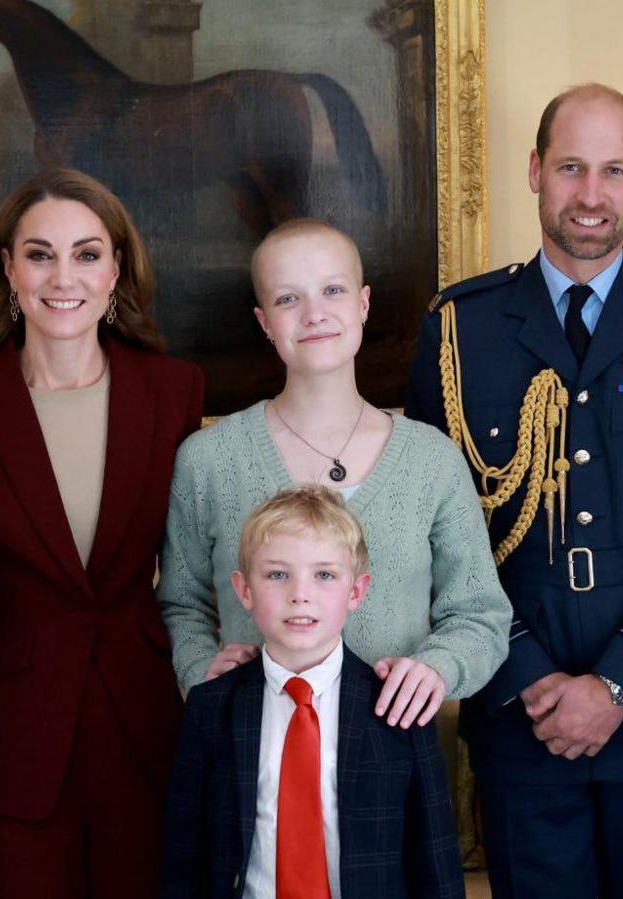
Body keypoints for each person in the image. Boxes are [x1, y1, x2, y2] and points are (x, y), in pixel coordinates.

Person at [403, 83, 623, 898]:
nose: (591, 195)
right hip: (519, 718)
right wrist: (529, 675)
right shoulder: (460, 330)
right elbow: (439, 527)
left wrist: (616, 685)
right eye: (571, 167)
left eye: (613, 170)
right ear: (535, 171)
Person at [0, 169, 204, 898]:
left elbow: (199, 578)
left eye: (87, 253)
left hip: (147, 738)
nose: (62, 276)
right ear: (8, 270)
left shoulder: (174, 392)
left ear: (116, 272)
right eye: (40, 254)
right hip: (7, 752)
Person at [160, 218, 510, 731]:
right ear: (263, 321)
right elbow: (179, 602)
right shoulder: (208, 460)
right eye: (287, 300)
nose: (314, 314)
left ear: (363, 303)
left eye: (332, 290)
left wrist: (438, 667)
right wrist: (199, 672)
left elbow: (480, 613)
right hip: (252, 747)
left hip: (392, 751)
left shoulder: (431, 459)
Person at [161, 485, 465, 899]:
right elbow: (184, 855)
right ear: (244, 589)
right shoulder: (211, 707)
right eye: (277, 574)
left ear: (356, 591)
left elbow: (436, 861)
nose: (299, 594)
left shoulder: (398, 708)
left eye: (324, 575)